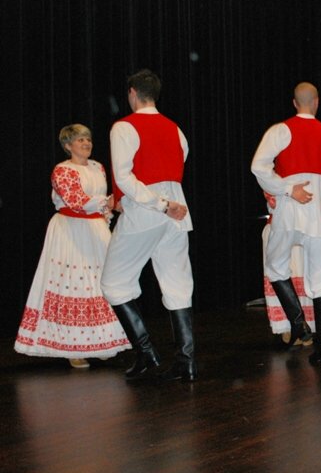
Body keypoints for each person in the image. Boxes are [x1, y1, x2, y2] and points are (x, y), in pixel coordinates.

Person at [100, 69, 196, 382]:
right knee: (177, 283)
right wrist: (168, 202)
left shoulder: (124, 127)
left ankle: (147, 353)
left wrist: (160, 203)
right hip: (177, 211)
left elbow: (124, 176)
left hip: (148, 211)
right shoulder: (175, 128)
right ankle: (186, 360)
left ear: (132, 92)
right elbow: (178, 162)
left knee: (114, 284)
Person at [15, 124, 131, 368]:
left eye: (88, 139)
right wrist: (108, 202)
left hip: (95, 229)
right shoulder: (63, 170)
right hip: (70, 230)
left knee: (100, 282)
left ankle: (101, 342)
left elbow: (101, 203)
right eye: (80, 140)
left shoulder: (97, 167)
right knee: (72, 283)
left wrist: (108, 210)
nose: (86, 143)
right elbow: (75, 200)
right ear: (68, 146)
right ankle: (72, 347)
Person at [251, 82, 321, 366]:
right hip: (319, 212)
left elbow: (258, 166)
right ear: (316, 102)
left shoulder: (280, 130)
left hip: (290, 210)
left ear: (294, 102)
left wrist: (287, 189)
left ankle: (298, 323)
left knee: (275, 266)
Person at [261, 190, 321, 347]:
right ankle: (298, 328)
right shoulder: (313, 179)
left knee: (294, 274)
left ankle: (300, 327)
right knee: (296, 275)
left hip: (297, 228)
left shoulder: (282, 179)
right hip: (300, 228)